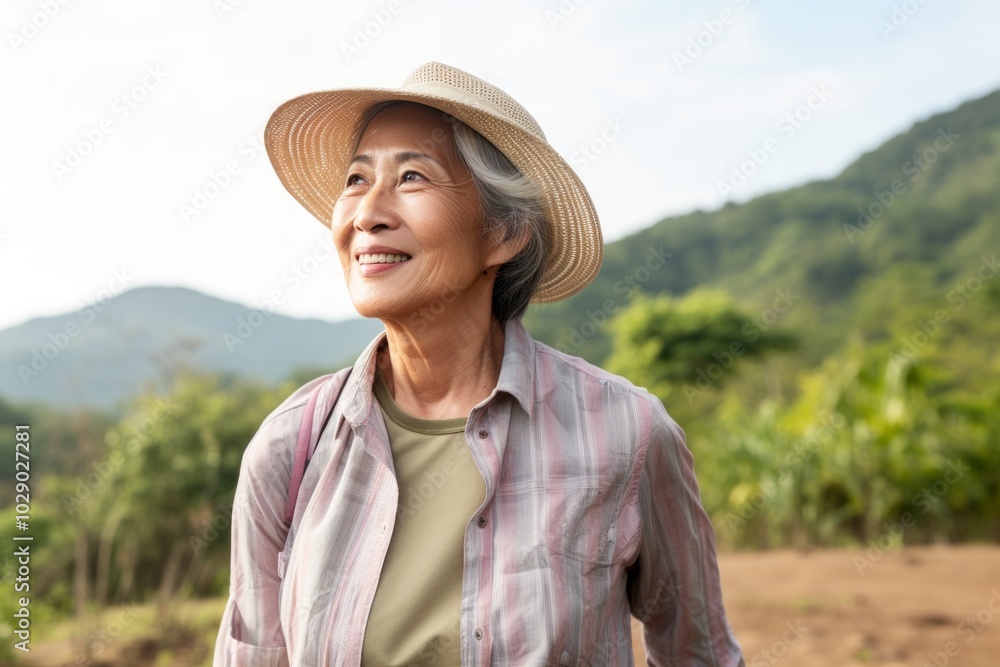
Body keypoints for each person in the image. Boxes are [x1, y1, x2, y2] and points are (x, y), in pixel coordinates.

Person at [214, 61, 744, 666]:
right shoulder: (290, 448)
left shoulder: (628, 433)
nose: (367, 214)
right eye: (357, 179)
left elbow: (701, 655)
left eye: (412, 176)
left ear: (503, 233)